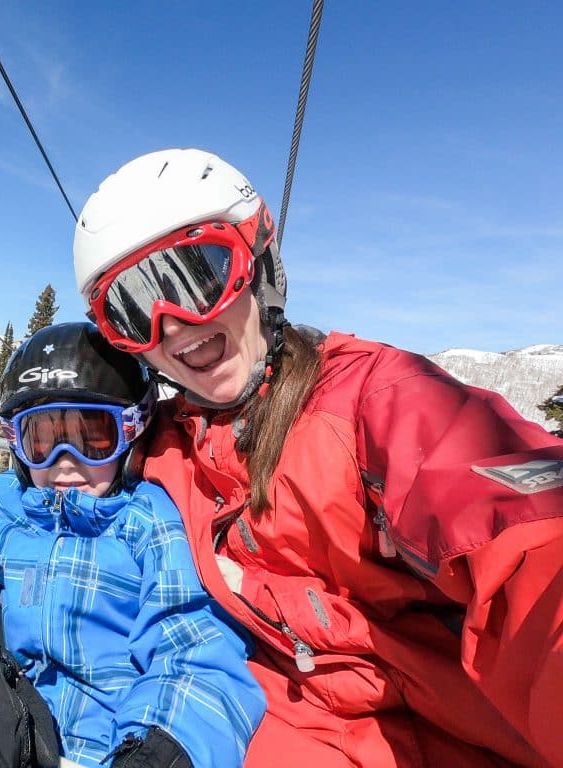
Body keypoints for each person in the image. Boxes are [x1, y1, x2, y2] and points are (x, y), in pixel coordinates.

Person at [71, 148, 563, 768]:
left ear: (259, 264)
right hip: (279, 726)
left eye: (199, 277)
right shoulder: (165, 448)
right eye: (134, 310)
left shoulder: (374, 401)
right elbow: (34, 519)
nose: (171, 327)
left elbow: (529, 542)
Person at [0, 322, 266, 768]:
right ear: (15, 442)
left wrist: (159, 749)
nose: (65, 463)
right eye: (41, 440)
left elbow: (194, 647)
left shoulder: (148, 524)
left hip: (94, 752)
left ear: (132, 431)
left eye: (92, 437)